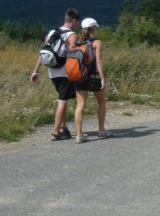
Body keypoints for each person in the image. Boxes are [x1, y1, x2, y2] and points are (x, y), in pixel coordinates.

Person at [31, 8, 80, 141]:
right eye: (77, 22)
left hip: (52, 72)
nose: (77, 25)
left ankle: (63, 128)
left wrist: (35, 71)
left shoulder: (52, 32)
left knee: (61, 99)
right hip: (65, 73)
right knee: (62, 102)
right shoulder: (71, 35)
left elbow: (43, 52)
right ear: (74, 21)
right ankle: (55, 132)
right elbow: (73, 54)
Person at [72, 18, 112, 143]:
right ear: (93, 28)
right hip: (94, 77)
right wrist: (102, 79)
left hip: (79, 77)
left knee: (80, 105)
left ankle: (79, 135)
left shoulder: (77, 43)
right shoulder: (97, 43)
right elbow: (99, 61)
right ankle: (101, 131)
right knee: (101, 102)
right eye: (96, 27)